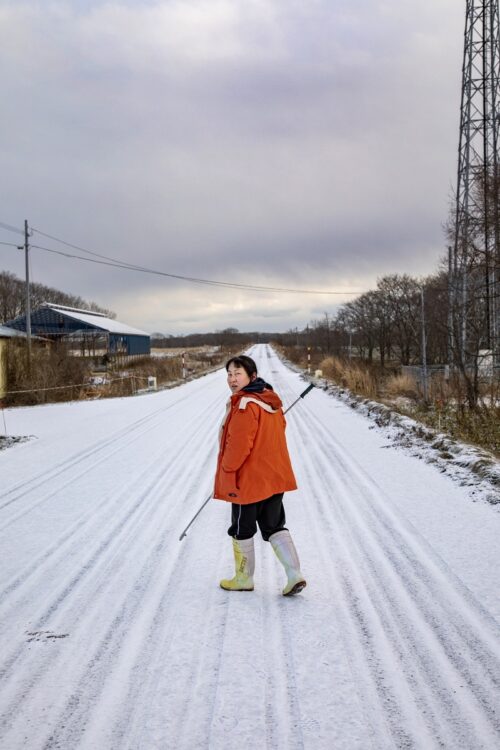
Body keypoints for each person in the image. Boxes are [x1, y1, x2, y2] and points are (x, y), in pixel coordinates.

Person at [213, 354, 306, 596]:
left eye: (238, 374)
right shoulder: (270, 401)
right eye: (229, 375)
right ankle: (294, 574)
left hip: (248, 481)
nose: (232, 380)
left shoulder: (246, 404)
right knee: (274, 525)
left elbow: (239, 445)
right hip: (273, 477)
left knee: (242, 528)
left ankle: (243, 578)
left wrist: (227, 469)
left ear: (251, 376)